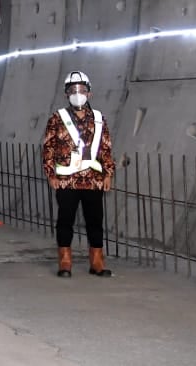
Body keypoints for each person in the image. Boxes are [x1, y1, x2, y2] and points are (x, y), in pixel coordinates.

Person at [41, 70, 115, 277]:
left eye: (81, 90)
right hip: (67, 180)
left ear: (89, 93)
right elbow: (48, 148)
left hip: (93, 180)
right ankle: (65, 261)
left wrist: (108, 174)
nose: (77, 94)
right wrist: (51, 174)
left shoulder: (99, 118)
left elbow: (106, 148)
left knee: (95, 220)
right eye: (72, 90)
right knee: (65, 220)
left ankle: (97, 261)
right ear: (66, 93)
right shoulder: (58, 118)